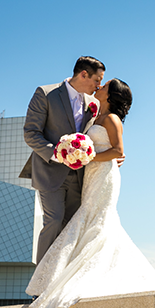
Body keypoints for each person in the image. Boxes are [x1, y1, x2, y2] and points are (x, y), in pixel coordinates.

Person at [26, 78, 155, 308]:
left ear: (111, 96)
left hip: (104, 177)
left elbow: (118, 151)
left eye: (104, 87)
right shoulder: (95, 116)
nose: (98, 88)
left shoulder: (111, 119)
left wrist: (87, 158)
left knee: (98, 222)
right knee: (86, 220)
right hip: (90, 177)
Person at [21, 56, 106, 264]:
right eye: (97, 79)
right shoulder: (46, 93)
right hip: (49, 172)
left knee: (71, 228)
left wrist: (114, 155)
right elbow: (31, 133)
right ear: (83, 74)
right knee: (54, 221)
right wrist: (57, 153)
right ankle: (40, 287)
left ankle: (61, 282)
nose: (99, 85)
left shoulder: (93, 104)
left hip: (79, 177)